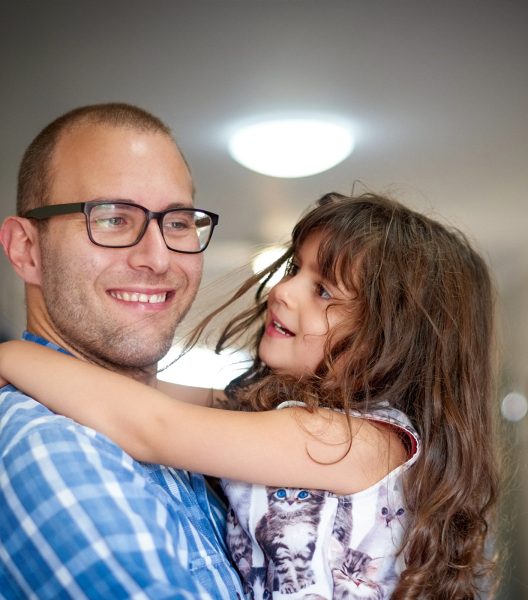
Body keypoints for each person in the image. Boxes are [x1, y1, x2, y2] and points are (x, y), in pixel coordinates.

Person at [1, 191, 500, 599]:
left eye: (324, 291)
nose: (283, 292)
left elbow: (155, 426)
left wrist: (9, 358)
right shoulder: (292, 417)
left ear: (392, 339)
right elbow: (146, 394)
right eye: (295, 271)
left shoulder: (351, 441)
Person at [0, 103, 244, 598]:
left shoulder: (196, 443)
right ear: (27, 250)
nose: (157, 258)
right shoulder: (45, 447)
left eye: (177, 222)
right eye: (112, 218)